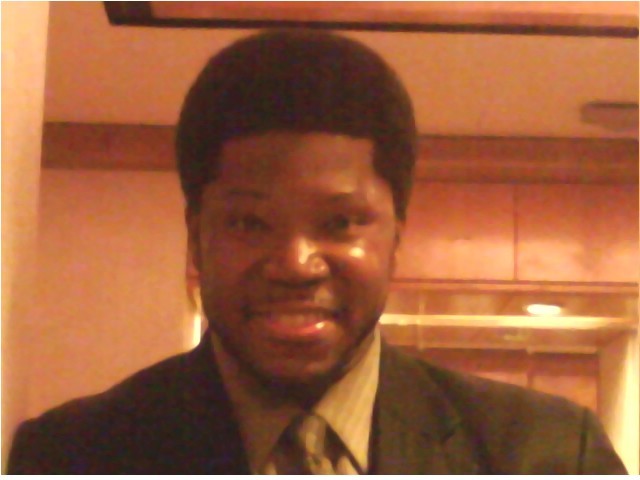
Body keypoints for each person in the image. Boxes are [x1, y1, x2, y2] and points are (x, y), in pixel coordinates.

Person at [7, 29, 626, 475]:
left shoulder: (547, 454)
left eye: (339, 222)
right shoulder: (71, 456)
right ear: (196, 237)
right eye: (249, 222)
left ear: (396, 236)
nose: (295, 263)